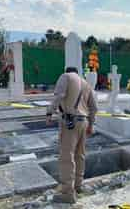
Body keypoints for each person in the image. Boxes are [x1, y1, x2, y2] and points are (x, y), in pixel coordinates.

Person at [46, 67, 97, 204]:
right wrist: (91, 125)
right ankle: (78, 186)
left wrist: (49, 112)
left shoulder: (65, 76)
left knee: (66, 156)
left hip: (71, 122)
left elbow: (59, 95)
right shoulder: (86, 83)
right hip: (84, 122)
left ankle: (68, 192)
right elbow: (94, 107)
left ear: (67, 71)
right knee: (80, 154)